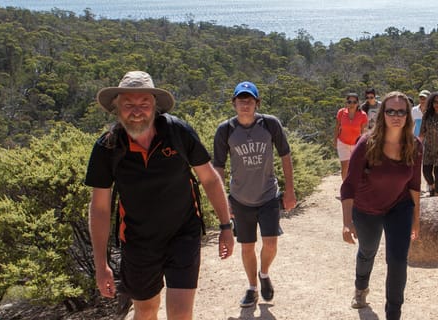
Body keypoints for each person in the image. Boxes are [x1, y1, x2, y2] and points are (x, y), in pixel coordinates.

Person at [85, 71, 235, 320]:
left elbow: (209, 179)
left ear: (154, 107)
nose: (137, 111)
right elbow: (100, 208)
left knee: (180, 313)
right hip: (137, 241)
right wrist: (101, 265)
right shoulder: (107, 148)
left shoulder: (177, 133)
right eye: (128, 104)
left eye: (144, 103)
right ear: (117, 108)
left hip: (182, 234)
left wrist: (226, 226)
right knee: (145, 311)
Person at [213, 81, 298, 308]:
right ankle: (252, 288)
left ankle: (264, 273)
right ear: (234, 103)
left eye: (249, 100)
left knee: (270, 244)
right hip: (240, 199)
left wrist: (290, 190)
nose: (245, 104)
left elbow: (285, 156)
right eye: (241, 100)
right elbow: (218, 168)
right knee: (247, 246)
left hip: (268, 195)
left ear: (256, 103)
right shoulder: (226, 130)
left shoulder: (270, 124)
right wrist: (223, 202)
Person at [341, 91, 422, 320]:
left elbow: (415, 185)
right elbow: (348, 186)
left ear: (408, 115)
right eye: (391, 111)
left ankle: (393, 314)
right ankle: (361, 287)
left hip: (400, 206)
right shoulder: (367, 143)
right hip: (367, 208)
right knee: (368, 251)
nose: (396, 116)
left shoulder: (414, 145)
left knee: (397, 260)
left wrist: (416, 219)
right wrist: (347, 222)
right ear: (382, 114)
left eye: (401, 111)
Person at [334, 93, 369, 181]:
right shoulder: (341, 112)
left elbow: (364, 132)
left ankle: (355, 188)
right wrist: (335, 140)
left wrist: (365, 145)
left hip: (356, 145)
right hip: (342, 143)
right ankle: (345, 189)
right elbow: (337, 127)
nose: (352, 104)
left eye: (354, 102)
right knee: (345, 167)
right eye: (349, 102)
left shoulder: (363, 115)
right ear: (346, 103)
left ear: (358, 103)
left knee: (356, 167)